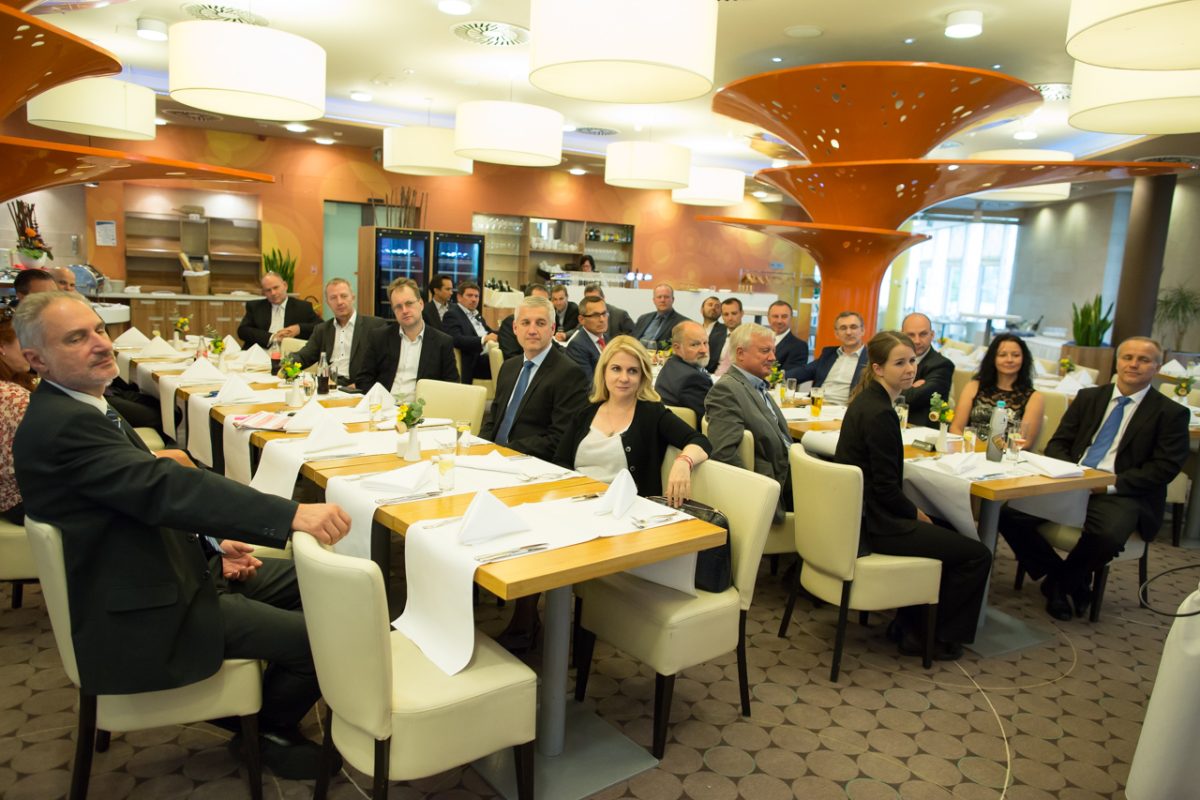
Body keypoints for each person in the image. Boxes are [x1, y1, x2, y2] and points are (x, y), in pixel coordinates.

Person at [12, 291, 352, 779]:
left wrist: (211, 543)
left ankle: (261, 706)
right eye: (76, 338)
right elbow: (162, 487)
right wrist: (292, 513)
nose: (101, 344)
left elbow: (136, 498)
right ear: (37, 359)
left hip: (164, 566)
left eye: (99, 330)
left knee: (323, 587)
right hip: (151, 604)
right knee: (323, 638)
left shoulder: (82, 406)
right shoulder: (63, 425)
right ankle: (264, 730)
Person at [999, 336, 1190, 621]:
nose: (1133, 364)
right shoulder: (1089, 397)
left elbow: (1163, 468)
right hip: (1071, 481)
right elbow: (1058, 444)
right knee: (1006, 513)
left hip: (1121, 491)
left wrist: (1109, 484)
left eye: (1143, 360)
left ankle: (1059, 585)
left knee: (1107, 535)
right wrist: (1071, 475)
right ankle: (1065, 579)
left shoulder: (1170, 413)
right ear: (1117, 362)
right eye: (1127, 357)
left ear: (1157, 367)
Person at [834, 330, 992, 660]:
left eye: (912, 361)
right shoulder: (880, 413)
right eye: (900, 363)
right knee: (977, 554)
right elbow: (886, 490)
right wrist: (916, 514)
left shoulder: (868, 401)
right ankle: (930, 636)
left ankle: (910, 624)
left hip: (861, 515)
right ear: (878, 368)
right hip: (878, 524)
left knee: (950, 530)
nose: (909, 369)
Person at [705, 323, 794, 524]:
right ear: (740, 353)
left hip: (787, 473)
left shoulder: (756, 386)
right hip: (776, 485)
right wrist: (756, 494)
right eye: (765, 351)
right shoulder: (727, 390)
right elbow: (724, 454)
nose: (773, 357)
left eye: (773, 350)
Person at [481, 296, 588, 461]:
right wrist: (480, 447)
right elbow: (493, 420)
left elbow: (559, 438)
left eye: (540, 323)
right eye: (525, 323)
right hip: (492, 458)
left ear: (552, 328)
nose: (532, 330)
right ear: (515, 328)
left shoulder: (569, 374)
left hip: (531, 463)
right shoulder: (509, 367)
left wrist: (503, 452)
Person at [355, 278, 458, 394]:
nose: (404, 311)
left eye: (409, 304)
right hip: (384, 403)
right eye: (398, 307)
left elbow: (451, 385)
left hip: (421, 404)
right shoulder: (379, 338)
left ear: (421, 304)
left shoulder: (442, 342)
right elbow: (364, 379)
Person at [949, 332, 1044, 447]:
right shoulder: (974, 386)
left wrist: (997, 450)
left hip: (1006, 454)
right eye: (1002, 355)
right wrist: (973, 447)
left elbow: (1025, 442)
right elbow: (956, 428)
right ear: (992, 358)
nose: (1009, 360)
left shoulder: (1034, 397)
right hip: (969, 449)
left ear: (1024, 359)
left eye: (1016, 355)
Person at [294, 278, 389, 387]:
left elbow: (385, 365)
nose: (339, 302)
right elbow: (304, 357)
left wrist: (361, 385)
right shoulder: (322, 329)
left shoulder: (374, 326)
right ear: (328, 303)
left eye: (344, 296)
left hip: (357, 387)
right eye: (333, 298)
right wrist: (286, 364)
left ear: (353, 298)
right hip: (326, 385)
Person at [786, 310, 868, 405]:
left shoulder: (871, 358)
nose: (848, 332)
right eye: (843, 328)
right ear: (836, 334)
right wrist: (777, 376)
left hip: (846, 409)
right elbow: (802, 372)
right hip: (816, 405)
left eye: (853, 327)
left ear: (862, 330)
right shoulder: (829, 354)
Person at [0, 306, 34, 524]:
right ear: (2, 348)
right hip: (20, 500)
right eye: (24, 343)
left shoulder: (11, 389)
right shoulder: (13, 397)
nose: (32, 350)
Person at [899, 312, 955, 429]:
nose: (917, 341)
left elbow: (912, 398)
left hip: (921, 430)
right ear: (902, 336)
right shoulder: (894, 359)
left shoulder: (942, 365)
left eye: (923, 334)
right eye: (911, 335)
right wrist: (910, 387)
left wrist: (894, 387)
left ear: (932, 335)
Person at [237, 271, 320, 348]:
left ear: (285, 285)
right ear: (264, 292)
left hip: (289, 353)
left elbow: (320, 326)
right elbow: (243, 331)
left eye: (276, 287)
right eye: (268, 290)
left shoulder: (302, 307)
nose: (273, 293)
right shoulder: (255, 306)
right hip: (260, 351)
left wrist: (299, 328)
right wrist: (272, 337)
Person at [654, 320, 713, 425]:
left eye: (705, 343)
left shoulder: (671, 364)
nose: (704, 350)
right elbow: (711, 419)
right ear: (677, 348)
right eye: (695, 345)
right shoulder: (693, 379)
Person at [441, 280, 497, 384]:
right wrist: (483, 339)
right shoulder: (452, 315)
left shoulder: (476, 315)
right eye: (470, 295)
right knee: (509, 361)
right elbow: (455, 339)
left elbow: (488, 331)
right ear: (459, 297)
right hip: (475, 360)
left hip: (488, 354)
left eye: (476, 296)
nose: (474, 299)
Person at [498, 283, 549, 360]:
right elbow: (511, 356)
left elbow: (556, 348)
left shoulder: (544, 325)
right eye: (537, 301)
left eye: (545, 303)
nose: (542, 306)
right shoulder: (510, 323)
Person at [564, 294, 608, 378]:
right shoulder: (576, 346)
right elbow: (588, 383)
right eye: (595, 315)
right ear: (581, 320)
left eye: (604, 313)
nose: (602, 319)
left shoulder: (608, 338)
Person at [768, 300, 808, 373]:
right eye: (775, 316)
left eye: (784, 317)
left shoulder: (799, 347)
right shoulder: (758, 341)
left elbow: (789, 375)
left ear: (791, 318)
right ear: (768, 318)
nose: (779, 321)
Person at [707, 297, 744, 375]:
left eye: (734, 313)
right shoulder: (715, 337)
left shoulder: (750, 337)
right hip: (714, 377)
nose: (730, 318)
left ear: (742, 313)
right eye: (726, 314)